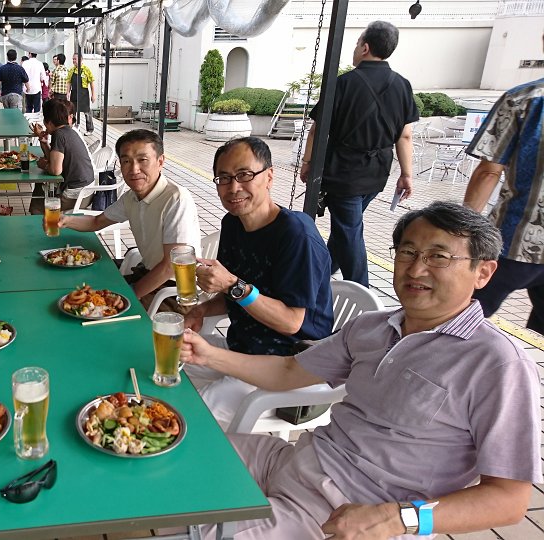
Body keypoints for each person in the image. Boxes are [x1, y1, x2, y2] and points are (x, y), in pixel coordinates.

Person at [181, 201, 541, 539]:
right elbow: (289, 371)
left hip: (345, 507)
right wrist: (207, 355)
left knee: (190, 532)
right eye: (408, 252)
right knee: (173, 454)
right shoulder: (373, 327)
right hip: (290, 461)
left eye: (439, 257)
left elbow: (509, 499)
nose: (416, 269)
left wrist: (399, 518)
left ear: (483, 272)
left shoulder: (497, 364)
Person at [181, 137, 334, 427]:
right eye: (224, 178)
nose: (233, 187)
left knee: (189, 419)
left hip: (288, 368)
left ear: (269, 177)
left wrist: (231, 284)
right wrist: (201, 310)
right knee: (158, 361)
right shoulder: (232, 224)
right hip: (241, 350)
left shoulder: (297, 235)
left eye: (244, 175)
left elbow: (291, 322)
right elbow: (236, 296)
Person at [300, 20, 417, 287]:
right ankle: (321, 274)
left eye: (356, 44)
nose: (354, 49)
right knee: (346, 227)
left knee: (349, 231)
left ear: (365, 48)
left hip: (344, 172)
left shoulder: (343, 84)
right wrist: (406, 174)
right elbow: (405, 136)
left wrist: (308, 162)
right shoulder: (402, 85)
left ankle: (362, 291)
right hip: (377, 173)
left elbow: (317, 131)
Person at [58, 129, 201, 300]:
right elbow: (96, 222)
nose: (134, 169)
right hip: (146, 273)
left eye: (142, 160)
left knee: (97, 306)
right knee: (78, 288)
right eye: (126, 161)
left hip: (175, 290)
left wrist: (130, 296)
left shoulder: (176, 199)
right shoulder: (131, 197)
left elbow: (171, 266)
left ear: (160, 162)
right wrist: (65, 220)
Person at [463, 52, 544, 332]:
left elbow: (489, 171)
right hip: (515, 241)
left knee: (460, 314)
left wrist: (463, 229)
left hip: (514, 239)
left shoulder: (523, 100)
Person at [29, 98, 95, 215]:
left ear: (49, 122)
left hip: (75, 197)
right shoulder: (69, 131)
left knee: (39, 196)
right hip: (87, 192)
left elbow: (56, 170)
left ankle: (38, 221)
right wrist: (44, 142)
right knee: (41, 188)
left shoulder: (58, 135)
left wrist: (44, 165)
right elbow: (55, 159)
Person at [66, 53, 95, 134]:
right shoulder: (71, 70)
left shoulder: (86, 70)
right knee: (73, 111)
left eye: (75, 59)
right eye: (73, 59)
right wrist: (67, 92)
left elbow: (91, 82)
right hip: (74, 93)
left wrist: (93, 95)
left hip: (84, 94)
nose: (73, 61)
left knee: (87, 112)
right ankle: (74, 128)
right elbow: (69, 82)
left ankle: (90, 129)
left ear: (81, 59)